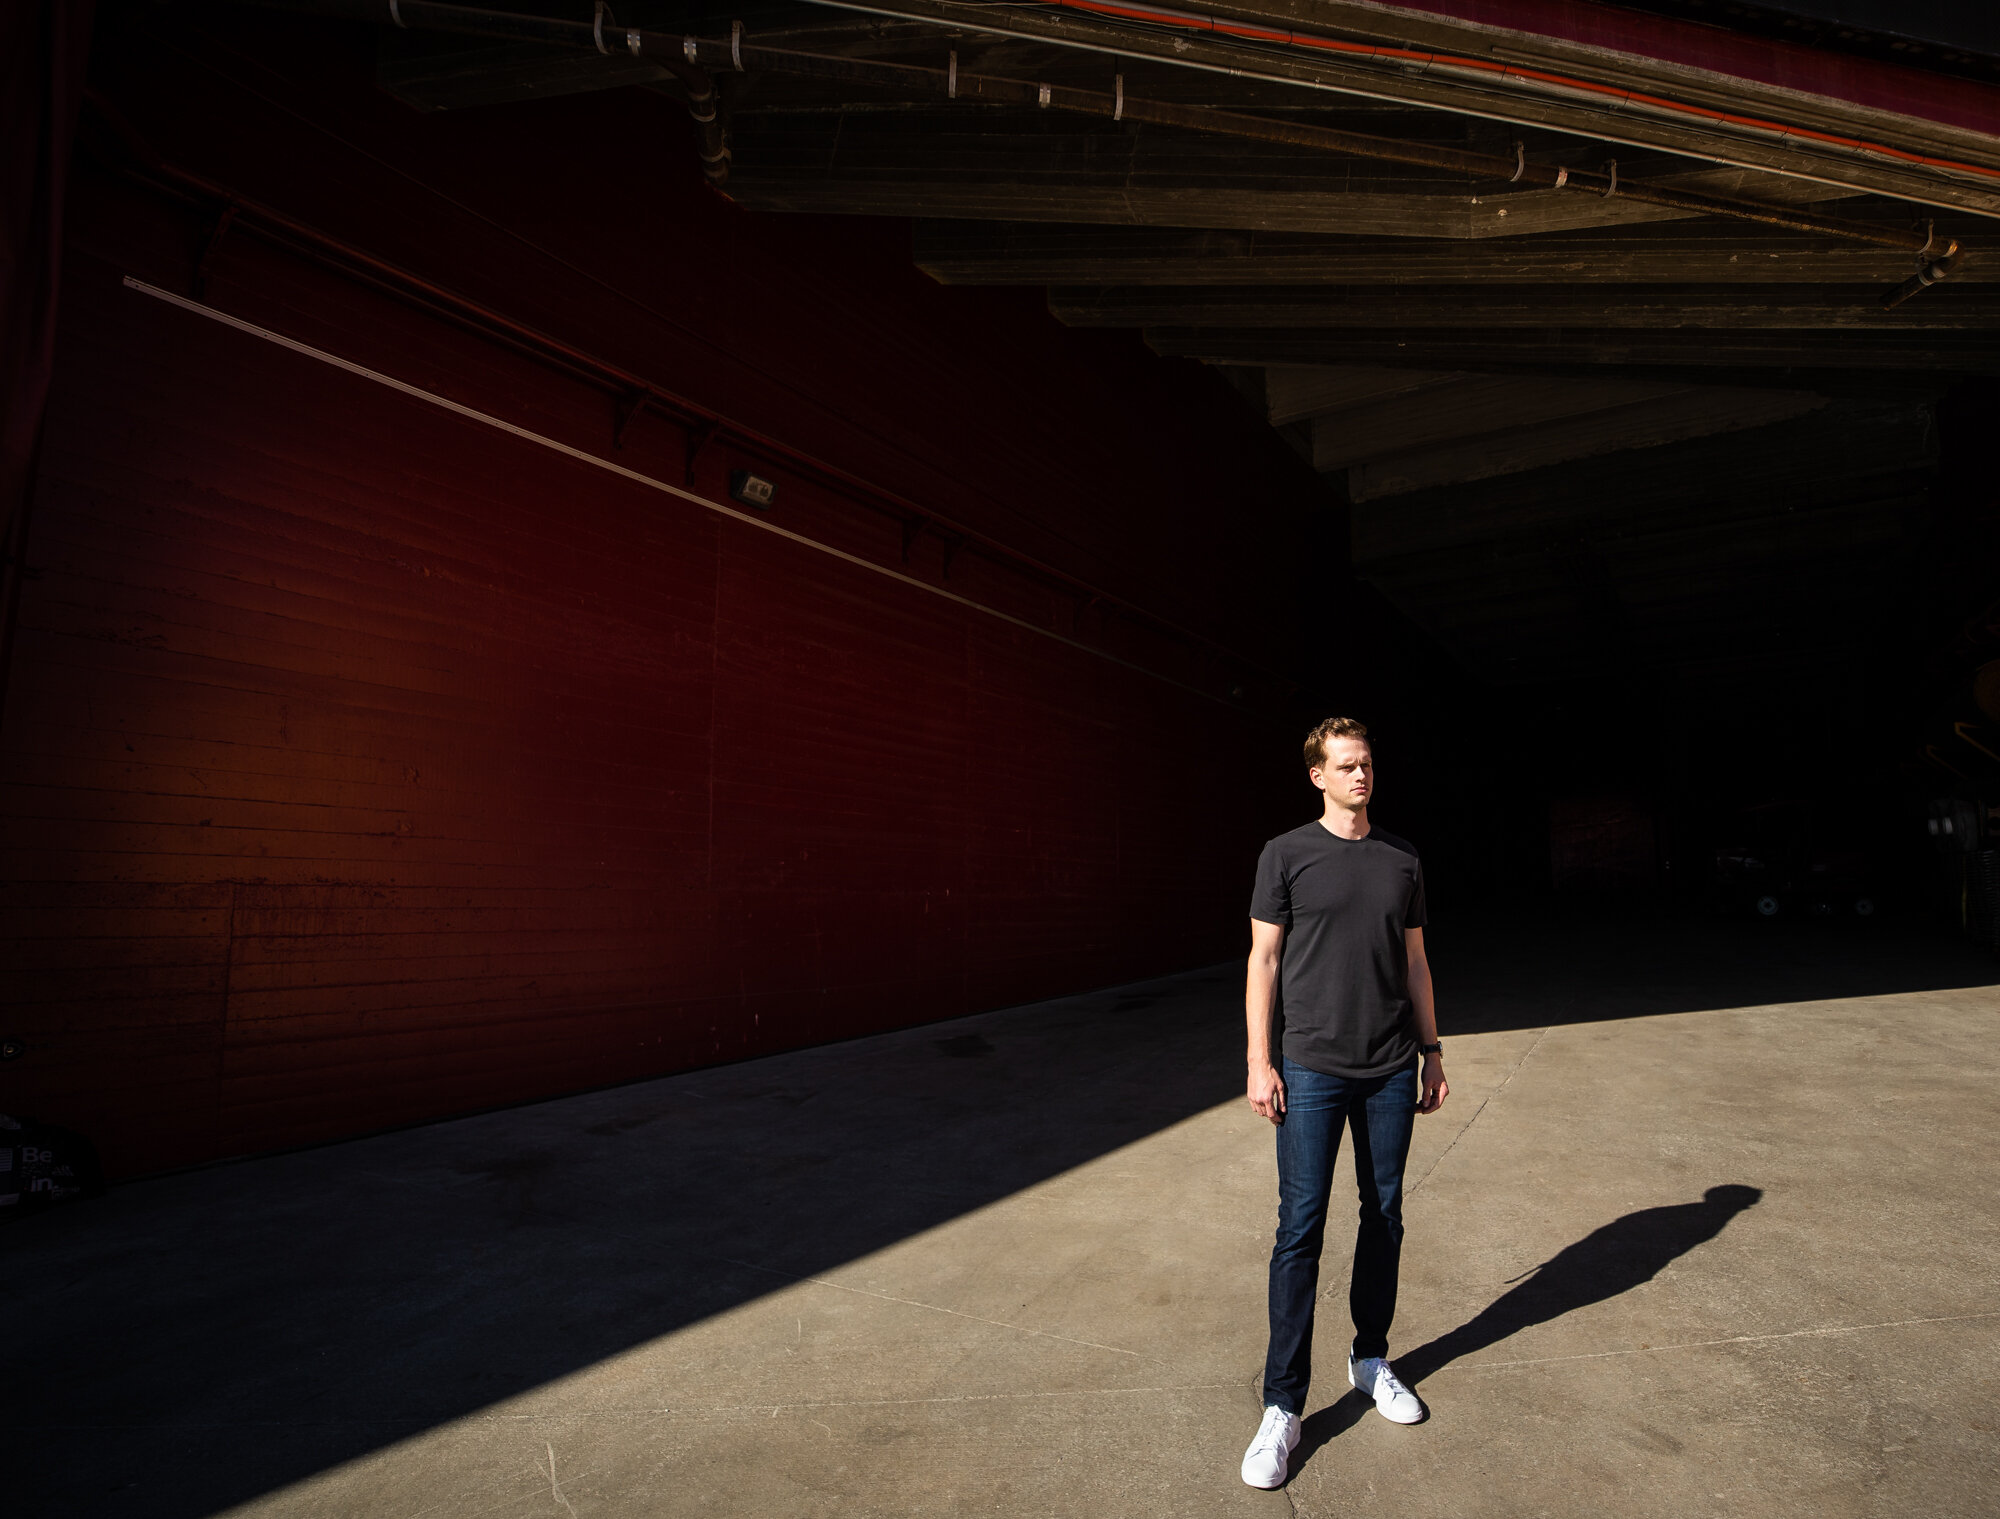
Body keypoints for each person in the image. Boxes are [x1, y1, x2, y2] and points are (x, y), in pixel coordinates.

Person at [1239, 716, 1448, 1490]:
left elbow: (1417, 963)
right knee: (1301, 1228)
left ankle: (1370, 1359)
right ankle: (1282, 1406)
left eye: (1368, 764)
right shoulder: (1285, 854)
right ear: (1318, 775)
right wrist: (1261, 1061)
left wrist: (1432, 1050)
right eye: (1348, 765)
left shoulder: (1402, 857)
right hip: (1313, 1066)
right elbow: (1263, 961)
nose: (1363, 775)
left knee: (1384, 1212)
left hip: (1392, 1065)